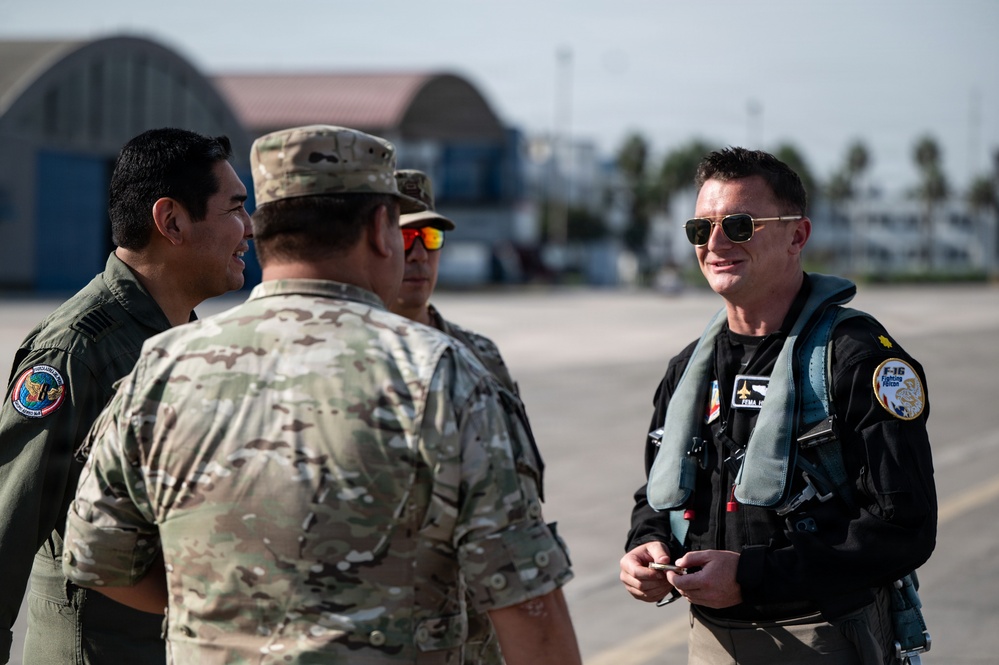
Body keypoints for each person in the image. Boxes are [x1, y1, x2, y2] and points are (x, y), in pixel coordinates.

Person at [62, 124, 581, 665]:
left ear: (263, 230)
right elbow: (526, 604)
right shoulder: (436, 372)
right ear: (382, 228)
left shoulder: (164, 366)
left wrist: (232, 609)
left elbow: (97, 556)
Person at [619, 147, 936, 664]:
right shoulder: (687, 370)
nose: (715, 243)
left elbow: (905, 528)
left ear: (797, 235)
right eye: (701, 228)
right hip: (712, 640)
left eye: (740, 225)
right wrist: (647, 544)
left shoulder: (855, 361)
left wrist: (752, 578)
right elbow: (658, 492)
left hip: (825, 636)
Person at [0, 127, 252, 664]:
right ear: (172, 222)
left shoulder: (181, 340)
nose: (249, 230)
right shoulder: (77, 352)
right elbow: (6, 529)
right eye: (235, 209)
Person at [391, 169, 526, 664]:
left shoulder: (479, 355)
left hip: (479, 640)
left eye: (430, 237)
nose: (419, 254)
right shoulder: (345, 364)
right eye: (404, 236)